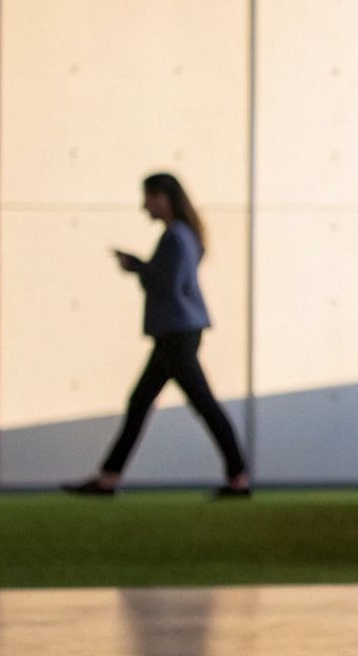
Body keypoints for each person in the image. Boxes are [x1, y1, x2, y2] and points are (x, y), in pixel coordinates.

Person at [63, 173, 251, 499]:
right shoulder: (184, 235)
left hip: (176, 333)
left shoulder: (175, 237)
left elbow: (167, 284)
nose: (144, 205)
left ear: (163, 197)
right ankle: (108, 477)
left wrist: (137, 268)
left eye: (148, 197)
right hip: (175, 332)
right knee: (140, 403)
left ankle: (238, 478)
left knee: (203, 404)